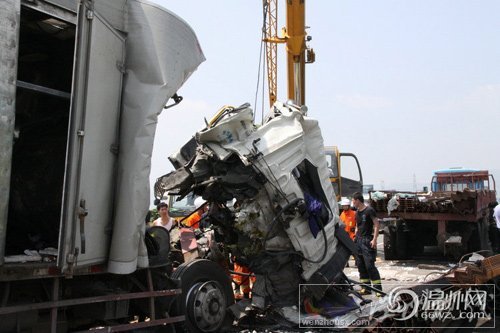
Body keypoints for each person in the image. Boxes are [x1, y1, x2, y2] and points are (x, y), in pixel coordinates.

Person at [352, 192, 382, 296]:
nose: (353, 202)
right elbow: (357, 225)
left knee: (369, 265)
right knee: (360, 265)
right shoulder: (357, 213)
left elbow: (377, 224)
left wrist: (374, 239)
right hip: (358, 240)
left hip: (367, 240)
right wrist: (355, 235)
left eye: (353, 201)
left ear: (358, 201)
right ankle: (366, 288)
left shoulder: (369, 210)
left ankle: (378, 290)